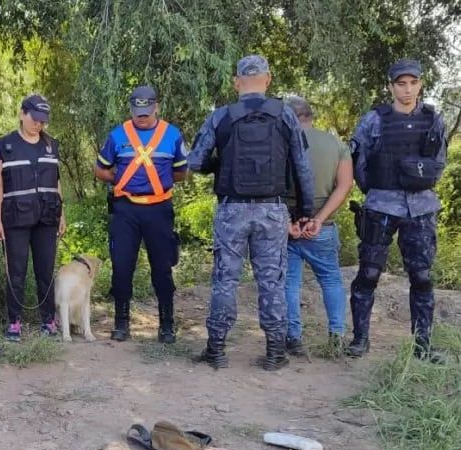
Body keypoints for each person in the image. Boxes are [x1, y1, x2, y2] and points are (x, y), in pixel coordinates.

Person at [188, 55, 317, 371]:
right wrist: (306, 210)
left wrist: (218, 165)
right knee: (271, 282)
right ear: (268, 79)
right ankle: (275, 353)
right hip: (272, 211)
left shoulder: (221, 117)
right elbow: (302, 166)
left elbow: (194, 162)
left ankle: (216, 350)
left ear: (236, 82)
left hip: (232, 209)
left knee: (225, 281)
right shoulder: (285, 115)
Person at [347, 59, 448, 361]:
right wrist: (375, 190)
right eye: (401, 83)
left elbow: (439, 163)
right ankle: (360, 340)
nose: (407, 89)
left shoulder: (433, 119)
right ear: (391, 86)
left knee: (421, 277)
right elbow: (358, 161)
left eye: (413, 83)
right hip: (381, 204)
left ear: (420, 84)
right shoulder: (374, 119)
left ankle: (422, 347)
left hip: (421, 208)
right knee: (368, 272)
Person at [94, 85, 188, 343]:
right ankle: (121, 322)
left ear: (156, 107)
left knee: (162, 267)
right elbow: (101, 169)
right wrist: (121, 179)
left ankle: (167, 324)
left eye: (147, 110)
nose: (142, 116)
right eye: (138, 110)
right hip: (126, 210)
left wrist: (158, 184)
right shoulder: (118, 135)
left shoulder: (172, 134)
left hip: (159, 209)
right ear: (131, 109)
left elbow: (181, 172)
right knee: (122, 266)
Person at [282, 95, 354, 355]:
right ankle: (336, 336)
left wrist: (290, 220)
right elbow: (345, 185)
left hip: (287, 226)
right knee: (331, 281)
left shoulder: (280, 144)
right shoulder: (335, 144)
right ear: (310, 116)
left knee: (289, 284)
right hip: (322, 227)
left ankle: (293, 338)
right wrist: (319, 219)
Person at [0, 95, 66, 341]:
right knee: (17, 272)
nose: (39, 125)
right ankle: (14, 322)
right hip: (15, 218)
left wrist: (61, 215)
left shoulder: (51, 145)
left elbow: (57, 183)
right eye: (35, 119)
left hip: (46, 217)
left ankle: (49, 320)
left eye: (43, 121)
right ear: (22, 113)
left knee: (45, 271)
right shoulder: (5, 145)